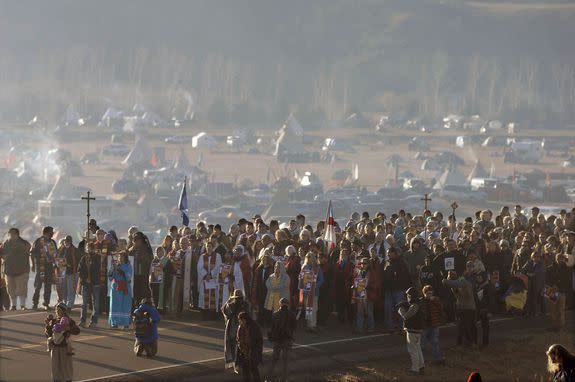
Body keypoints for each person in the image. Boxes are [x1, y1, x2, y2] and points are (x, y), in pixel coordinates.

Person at [442, 262, 477, 347]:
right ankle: (464, 343)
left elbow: (452, 283)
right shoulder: (459, 283)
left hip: (468, 307)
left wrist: (445, 280)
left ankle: (470, 343)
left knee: (467, 327)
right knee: (463, 327)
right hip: (463, 307)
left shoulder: (462, 281)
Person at [44, 302, 78, 382]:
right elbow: (48, 334)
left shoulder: (69, 321)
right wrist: (47, 326)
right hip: (55, 348)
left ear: (64, 311)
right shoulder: (54, 321)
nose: (57, 312)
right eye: (56, 310)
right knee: (55, 368)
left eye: (59, 310)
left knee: (66, 368)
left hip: (65, 348)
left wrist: (68, 328)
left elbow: (77, 331)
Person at [0, 228, 31, 310]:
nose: (11, 235)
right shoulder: (6, 243)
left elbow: (28, 249)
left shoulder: (23, 243)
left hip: (22, 270)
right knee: (10, 289)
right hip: (9, 270)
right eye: (10, 234)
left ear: (17, 234)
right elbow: (2, 254)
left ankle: (22, 305)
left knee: (22, 289)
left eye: (13, 234)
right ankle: (13, 306)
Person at [397, 287, 425, 375]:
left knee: (412, 350)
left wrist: (400, 309)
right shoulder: (418, 303)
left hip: (412, 330)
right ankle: (421, 366)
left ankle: (415, 369)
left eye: (408, 296)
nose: (407, 297)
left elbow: (406, 316)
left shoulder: (414, 306)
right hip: (418, 330)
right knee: (418, 348)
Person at [267, 297, 297, 382]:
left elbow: (271, 328)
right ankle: (284, 379)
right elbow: (294, 327)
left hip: (278, 340)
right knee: (286, 362)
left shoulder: (275, 314)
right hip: (288, 340)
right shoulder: (292, 314)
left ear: (280, 304)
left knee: (273, 360)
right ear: (288, 304)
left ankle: (269, 378)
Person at [31, 226, 58, 310]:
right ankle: (35, 303)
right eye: (51, 231)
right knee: (38, 286)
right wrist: (33, 265)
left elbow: (56, 254)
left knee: (48, 286)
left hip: (50, 267)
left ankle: (46, 303)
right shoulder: (38, 241)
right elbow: (32, 253)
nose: (53, 233)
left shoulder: (52, 242)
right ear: (46, 232)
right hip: (41, 267)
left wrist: (56, 264)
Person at [222, 289, 250, 372]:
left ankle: (236, 364)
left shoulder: (231, 305)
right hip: (244, 328)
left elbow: (224, 311)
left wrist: (229, 300)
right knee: (242, 346)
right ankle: (242, 364)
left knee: (233, 346)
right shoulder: (246, 305)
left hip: (233, 328)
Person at [78, 242, 101, 328]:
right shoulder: (84, 258)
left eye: (91, 247)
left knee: (96, 304)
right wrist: (85, 278)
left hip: (95, 283)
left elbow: (97, 269)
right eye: (88, 247)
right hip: (86, 283)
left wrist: (91, 265)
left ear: (94, 248)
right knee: (84, 304)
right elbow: (79, 270)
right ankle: (82, 321)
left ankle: (94, 321)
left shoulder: (98, 257)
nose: (90, 249)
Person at [298, 252, 323, 331]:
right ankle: (308, 325)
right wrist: (300, 280)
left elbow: (321, 279)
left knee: (314, 308)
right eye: (307, 257)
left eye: (311, 257)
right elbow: (300, 279)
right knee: (307, 308)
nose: (309, 258)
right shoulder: (304, 267)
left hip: (314, 292)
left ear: (314, 258)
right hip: (306, 291)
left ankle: (313, 325)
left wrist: (316, 286)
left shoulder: (317, 268)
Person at [421, 285, 445, 365]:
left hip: (434, 324)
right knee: (422, 344)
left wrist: (434, 300)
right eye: (428, 294)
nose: (429, 295)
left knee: (435, 342)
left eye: (431, 293)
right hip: (425, 326)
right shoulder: (421, 301)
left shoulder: (436, 300)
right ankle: (421, 360)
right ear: (424, 294)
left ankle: (438, 358)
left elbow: (441, 308)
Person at [236, 311, 263, 382]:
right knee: (245, 372)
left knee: (254, 371)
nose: (239, 321)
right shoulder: (240, 327)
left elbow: (259, 341)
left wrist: (258, 354)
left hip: (252, 352)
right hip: (244, 353)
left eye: (240, 320)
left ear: (244, 319)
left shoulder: (254, 326)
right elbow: (238, 341)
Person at [108, 252, 133, 328]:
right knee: (115, 305)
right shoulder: (115, 265)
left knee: (125, 305)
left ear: (125, 257)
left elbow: (128, 277)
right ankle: (114, 323)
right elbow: (110, 277)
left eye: (121, 257)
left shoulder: (128, 266)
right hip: (115, 288)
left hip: (125, 287)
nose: (119, 258)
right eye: (119, 257)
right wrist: (112, 269)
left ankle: (125, 323)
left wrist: (121, 271)